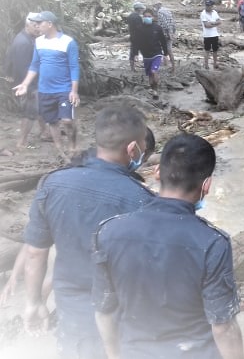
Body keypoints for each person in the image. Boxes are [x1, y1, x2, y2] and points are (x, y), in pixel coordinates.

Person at [92, 134, 244, 359]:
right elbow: (223, 326)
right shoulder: (213, 243)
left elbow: (104, 310)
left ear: (157, 173)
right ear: (207, 185)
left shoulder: (108, 232)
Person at [21, 106, 154, 358]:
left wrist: (33, 302)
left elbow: (35, 253)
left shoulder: (53, 183)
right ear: (132, 149)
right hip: (122, 318)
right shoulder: (142, 200)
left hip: (71, 314)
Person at [14, 11, 80, 159]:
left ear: (50, 24)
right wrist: (25, 84)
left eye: (40, 23)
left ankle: (73, 144)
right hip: (45, 89)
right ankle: (60, 149)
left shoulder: (68, 42)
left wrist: (74, 91)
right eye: (35, 23)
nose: (36, 26)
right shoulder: (39, 42)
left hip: (64, 89)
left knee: (67, 120)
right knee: (52, 121)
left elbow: (74, 67)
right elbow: (34, 65)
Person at [3, 13, 45, 149]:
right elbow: (23, 68)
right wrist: (29, 86)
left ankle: (45, 133)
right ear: (27, 25)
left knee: (40, 108)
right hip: (27, 84)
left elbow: (9, 58)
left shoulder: (26, 38)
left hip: (30, 82)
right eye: (35, 25)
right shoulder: (23, 43)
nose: (38, 28)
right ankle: (22, 142)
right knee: (30, 112)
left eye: (39, 25)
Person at [137, 8, 167, 100]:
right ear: (143, 17)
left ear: (153, 17)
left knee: (154, 71)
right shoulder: (140, 28)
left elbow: (163, 41)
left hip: (157, 53)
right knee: (150, 77)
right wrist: (135, 54)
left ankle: (156, 91)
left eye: (149, 16)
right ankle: (153, 88)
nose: (147, 18)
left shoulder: (157, 28)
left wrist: (165, 54)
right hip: (146, 55)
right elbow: (136, 42)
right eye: (145, 16)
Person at [153, 1, 176, 73]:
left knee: (162, 48)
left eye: (155, 5)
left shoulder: (159, 12)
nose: (155, 7)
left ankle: (167, 65)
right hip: (170, 32)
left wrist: (167, 32)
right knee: (169, 49)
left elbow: (165, 24)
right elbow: (172, 22)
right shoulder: (167, 10)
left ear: (158, 5)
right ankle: (171, 65)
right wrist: (172, 32)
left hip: (164, 33)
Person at [200, 0, 222, 70]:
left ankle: (215, 63)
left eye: (209, 5)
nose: (207, 7)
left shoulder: (215, 12)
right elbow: (206, 25)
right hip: (207, 35)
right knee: (207, 50)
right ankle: (206, 65)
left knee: (215, 50)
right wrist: (215, 23)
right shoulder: (203, 13)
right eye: (207, 5)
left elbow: (219, 22)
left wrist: (212, 23)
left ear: (212, 6)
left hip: (215, 34)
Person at [127, 2, 145, 72]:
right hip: (139, 37)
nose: (143, 10)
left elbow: (129, 27)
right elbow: (140, 28)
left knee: (132, 52)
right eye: (142, 9)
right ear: (139, 9)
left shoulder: (130, 16)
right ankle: (146, 65)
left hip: (132, 36)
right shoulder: (138, 17)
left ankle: (132, 68)